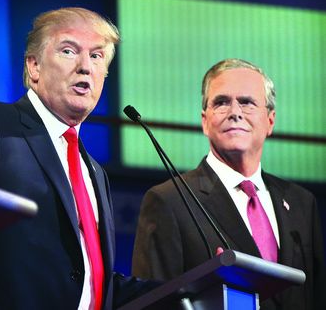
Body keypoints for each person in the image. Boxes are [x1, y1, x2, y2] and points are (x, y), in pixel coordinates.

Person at [0, 7, 155, 310]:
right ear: (34, 66)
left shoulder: (95, 172)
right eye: (69, 51)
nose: (85, 66)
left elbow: (92, 280)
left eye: (97, 56)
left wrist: (195, 287)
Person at [132, 58, 326, 309]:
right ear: (205, 121)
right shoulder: (171, 200)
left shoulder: (301, 202)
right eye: (221, 102)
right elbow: (154, 303)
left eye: (247, 102)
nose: (235, 112)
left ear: (270, 121)